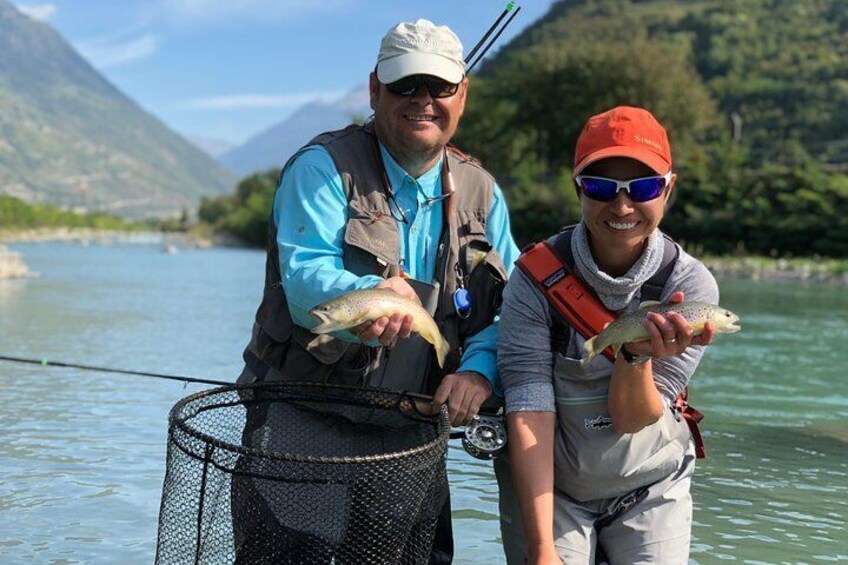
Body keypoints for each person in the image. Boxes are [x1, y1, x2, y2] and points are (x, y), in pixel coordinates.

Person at [236, 19, 520, 563]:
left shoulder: (484, 192)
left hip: (409, 431)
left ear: (463, 95)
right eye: (405, 86)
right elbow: (305, 282)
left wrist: (478, 370)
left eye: (439, 87)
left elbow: (510, 311)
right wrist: (370, 294)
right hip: (304, 414)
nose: (423, 101)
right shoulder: (321, 168)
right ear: (374, 90)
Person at [495, 106, 719, 564]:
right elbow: (529, 408)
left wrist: (636, 358)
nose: (621, 207)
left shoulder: (690, 287)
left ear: (668, 188)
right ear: (577, 187)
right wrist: (541, 551)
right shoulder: (534, 279)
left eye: (643, 188)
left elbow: (631, 420)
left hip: (651, 485)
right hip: (551, 489)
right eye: (600, 187)